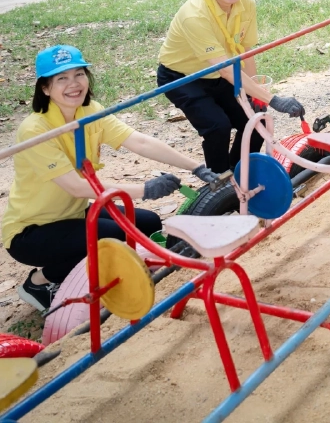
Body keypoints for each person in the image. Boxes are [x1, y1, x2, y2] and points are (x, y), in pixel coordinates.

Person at [3, 45, 219, 311]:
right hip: (32, 230)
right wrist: (145, 189)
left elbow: (138, 141)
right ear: (45, 88)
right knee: (116, 235)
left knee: (148, 222)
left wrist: (195, 166)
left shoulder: (89, 110)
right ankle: (39, 281)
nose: (74, 84)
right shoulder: (35, 130)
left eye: (79, 74)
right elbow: (77, 186)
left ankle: (100, 266)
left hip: (73, 212)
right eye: (61, 78)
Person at [157, 0, 305, 174]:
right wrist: (274, 99)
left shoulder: (247, 4)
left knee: (258, 121)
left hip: (221, 71)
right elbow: (226, 69)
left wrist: (256, 95)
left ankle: (240, 172)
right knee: (217, 126)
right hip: (184, 77)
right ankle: (219, 184)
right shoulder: (194, 14)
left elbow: (245, 51)